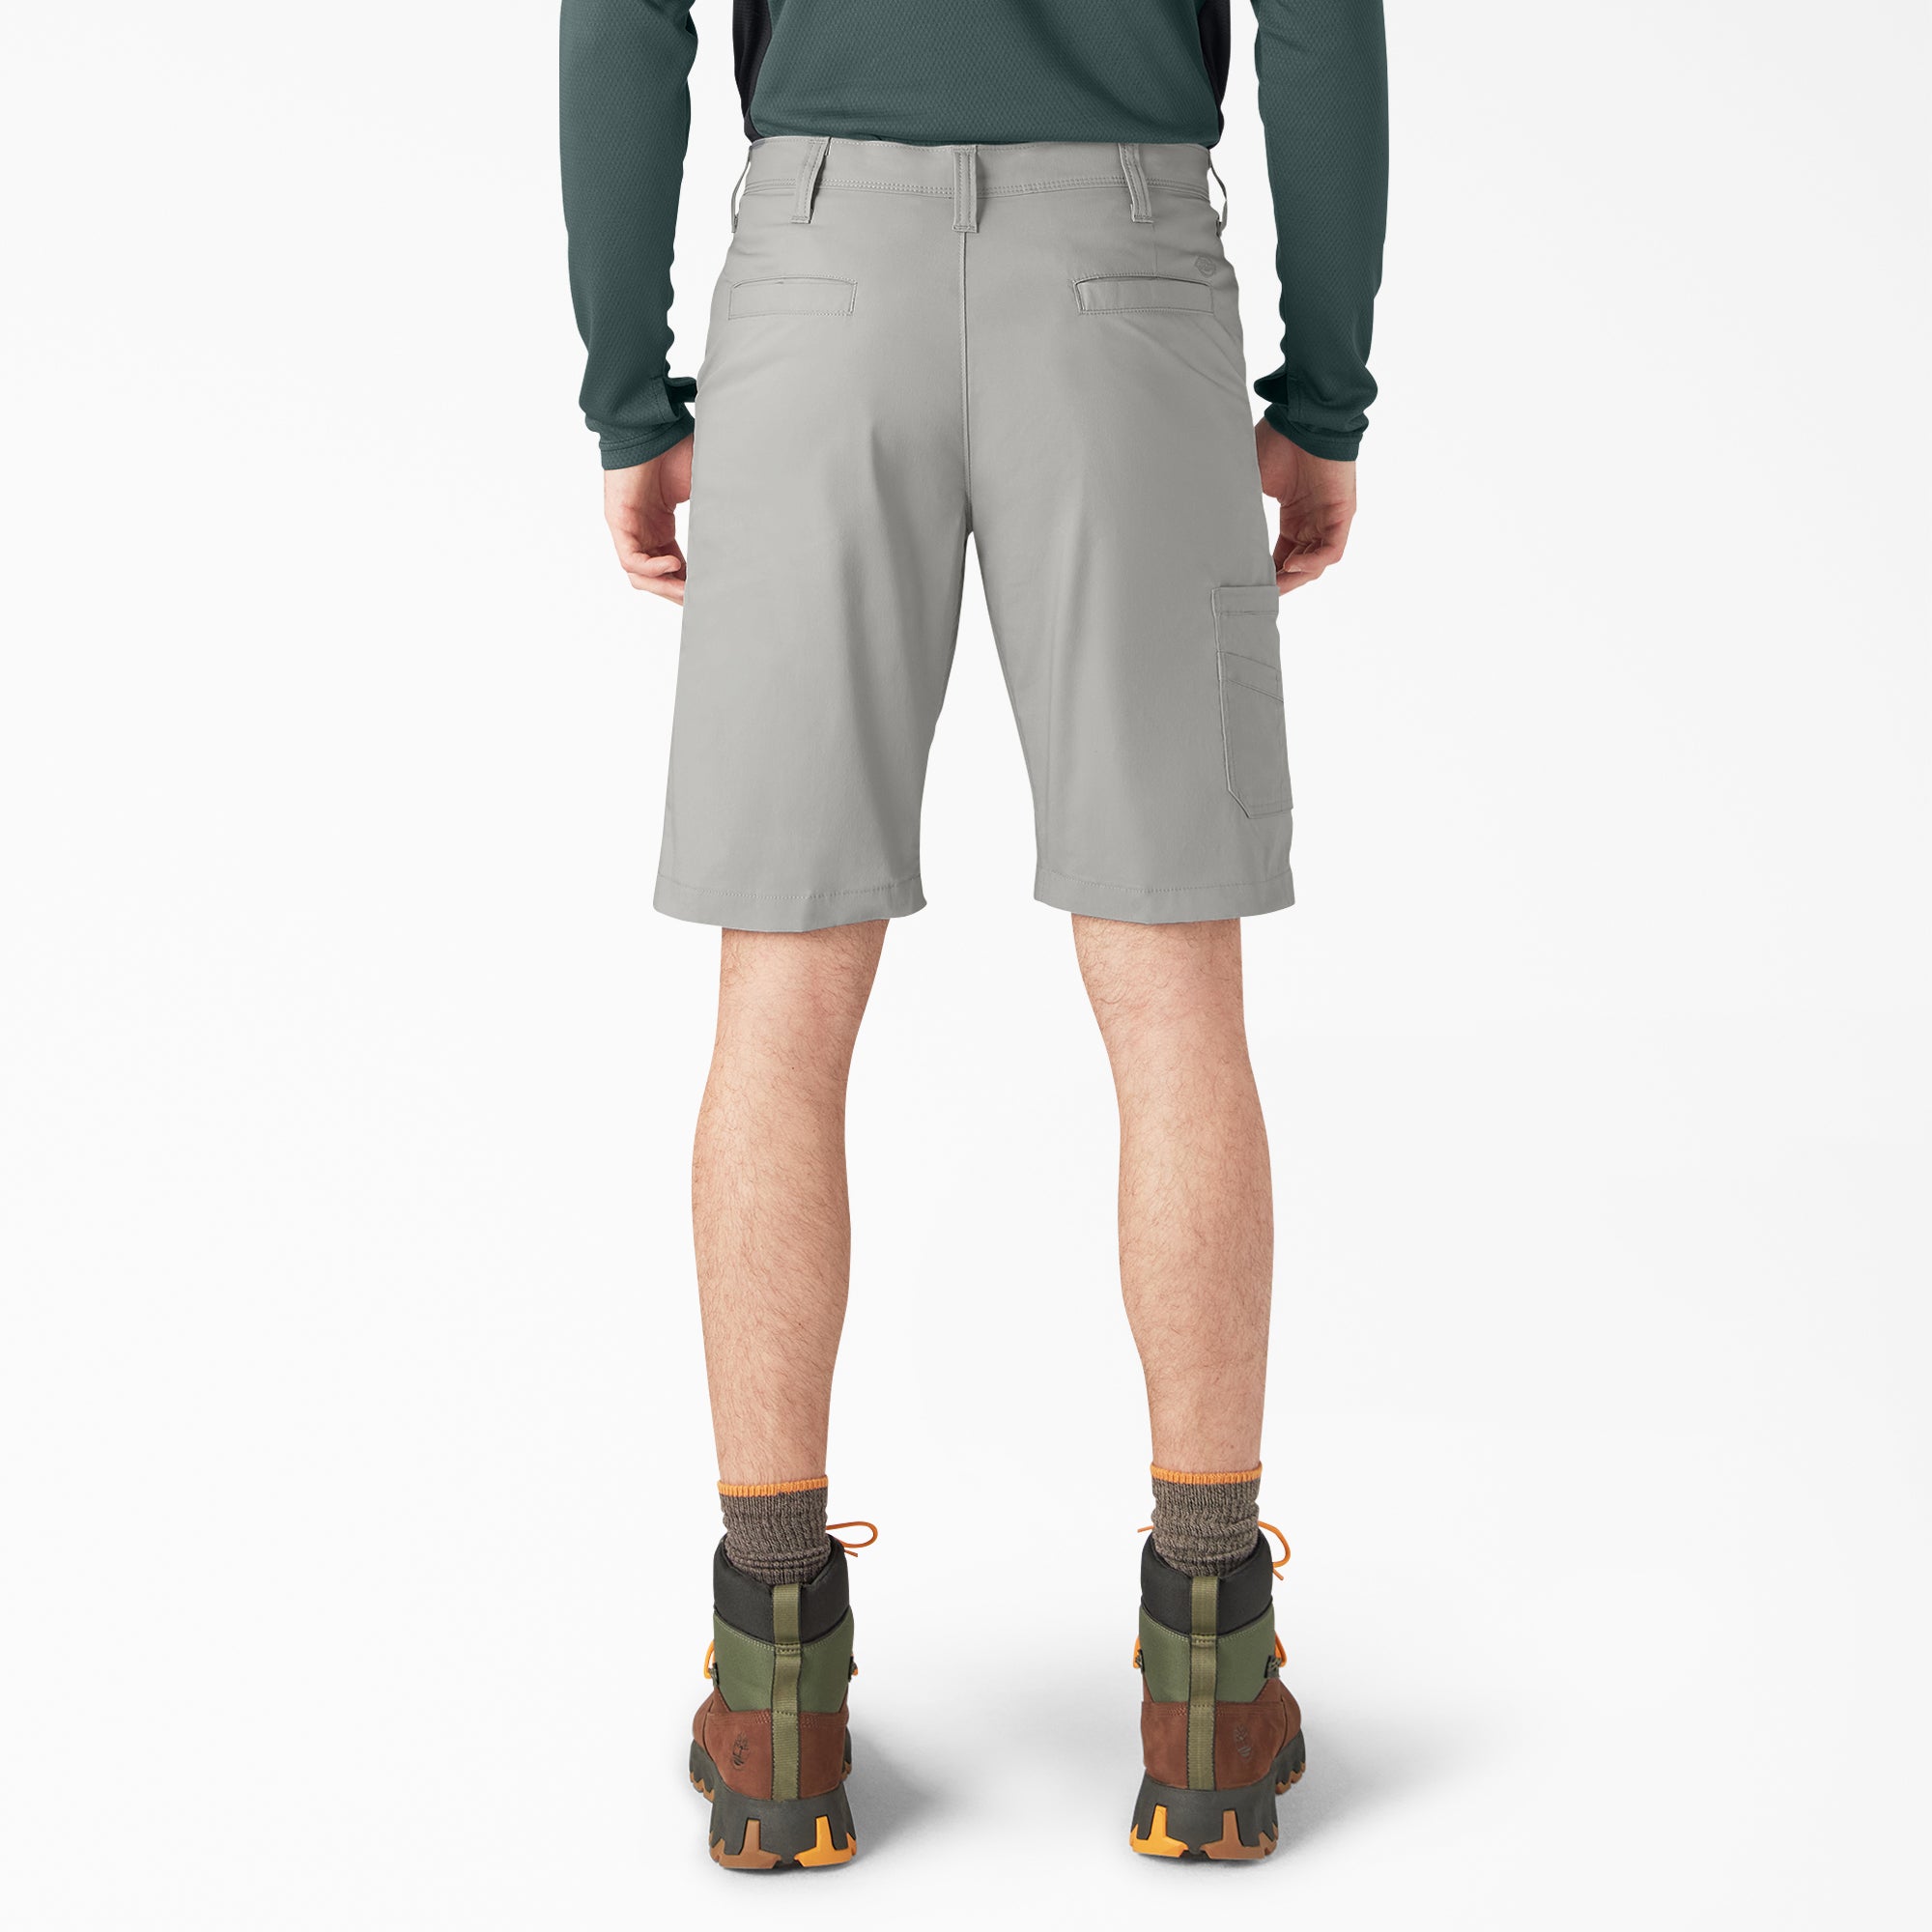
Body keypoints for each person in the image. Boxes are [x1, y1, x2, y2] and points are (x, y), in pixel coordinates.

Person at [560, 0, 1387, 1868]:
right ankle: (1210, 1680)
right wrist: (1323, 394)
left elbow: (622, 17)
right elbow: (1324, 23)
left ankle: (774, 1697)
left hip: (819, 273)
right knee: (1172, 994)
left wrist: (631, 396)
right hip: (1127, 271)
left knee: (782, 998)